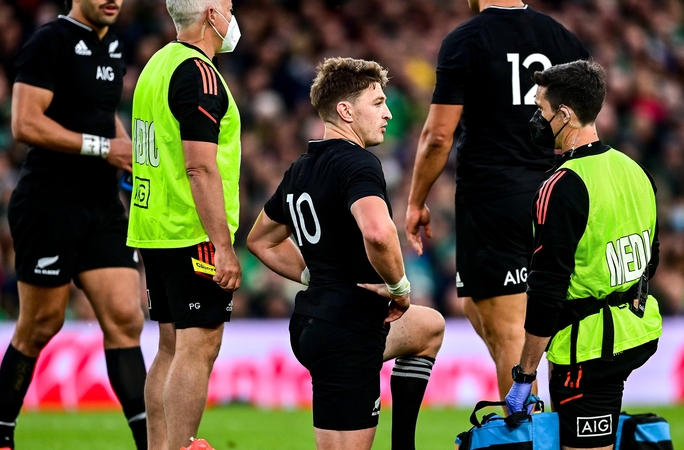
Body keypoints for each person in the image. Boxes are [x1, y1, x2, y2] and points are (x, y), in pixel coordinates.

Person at [246, 57, 444, 450]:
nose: (388, 113)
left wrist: (310, 275)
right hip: (346, 330)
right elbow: (378, 233)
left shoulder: (301, 168)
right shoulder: (359, 163)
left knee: (428, 326)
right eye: (377, 103)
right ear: (345, 111)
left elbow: (261, 240)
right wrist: (400, 287)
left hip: (313, 321)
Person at [404, 0, 589, 399]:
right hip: (557, 194)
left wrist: (416, 199)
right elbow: (585, 125)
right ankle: (556, 430)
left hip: (493, 199)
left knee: (510, 338)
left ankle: (531, 440)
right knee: (489, 308)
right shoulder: (564, 38)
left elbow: (438, 135)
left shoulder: (466, 39)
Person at [0, 0, 147, 448]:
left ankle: (150, 442)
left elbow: (103, 115)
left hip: (101, 206)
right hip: (49, 203)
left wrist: (130, 152)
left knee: (126, 317)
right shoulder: (49, 42)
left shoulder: (116, 44)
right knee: (40, 324)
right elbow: (24, 123)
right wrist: (103, 148)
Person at [504, 61, 662, 450]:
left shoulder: (561, 185)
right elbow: (651, 258)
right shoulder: (635, 170)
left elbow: (546, 289)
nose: (536, 119)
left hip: (587, 349)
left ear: (565, 115)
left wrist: (525, 376)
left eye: (540, 109)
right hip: (635, 331)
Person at [126, 0, 243, 448]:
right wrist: (223, 246)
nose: (233, 19)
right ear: (211, 15)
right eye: (229, 8)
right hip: (191, 230)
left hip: (154, 226)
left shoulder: (157, 63)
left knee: (171, 347)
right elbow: (200, 168)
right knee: (199, 346)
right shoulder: (200, 74)